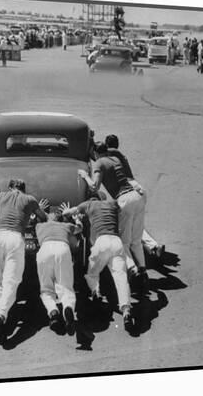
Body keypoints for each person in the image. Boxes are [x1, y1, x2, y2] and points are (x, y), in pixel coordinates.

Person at [0, 179, 49, 344]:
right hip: (15, 238)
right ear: (23, 189)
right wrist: (38, 209)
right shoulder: (29, 199)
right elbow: (43, 218)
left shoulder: (1, 196)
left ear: (10, 188)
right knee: (11, 281)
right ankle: (1, 314)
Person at [77, 150, 149, 291]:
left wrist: (85, 176)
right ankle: (143, 270)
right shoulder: (115, 159)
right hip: (137, 196)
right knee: (136, 239)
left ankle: (133, 269)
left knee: (123, 241)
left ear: (96, 153)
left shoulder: (99, 163)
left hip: (124, 199)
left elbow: (94, 186)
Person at [60, 195, 133, 332]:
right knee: (121, 278)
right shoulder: (112, 204)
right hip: (116, 242)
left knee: (92, 274)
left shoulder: (88, 205)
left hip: (101, 242)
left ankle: (96, 291)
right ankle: (126, 311)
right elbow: (125, 211)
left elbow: (67, 213)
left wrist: (67, 211)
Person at [103, 134, 165, 258]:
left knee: (127, 225)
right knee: (136, 224)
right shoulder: (120, 156)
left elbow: (99, 155)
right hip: (137, 188)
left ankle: (131, 261)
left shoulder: (111, 153)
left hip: (127, 190)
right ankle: (153, 246)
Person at [35, 211, 81, 335]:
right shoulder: (65, 226)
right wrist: (75, 218)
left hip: (45, 250)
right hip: (63, 249)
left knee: (46, 289)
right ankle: (68, 308)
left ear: (48, 218)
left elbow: (32, 220)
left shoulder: (40, 226)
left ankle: (53, 313)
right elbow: (79, 228)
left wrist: (41, 211)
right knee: (65, 286)